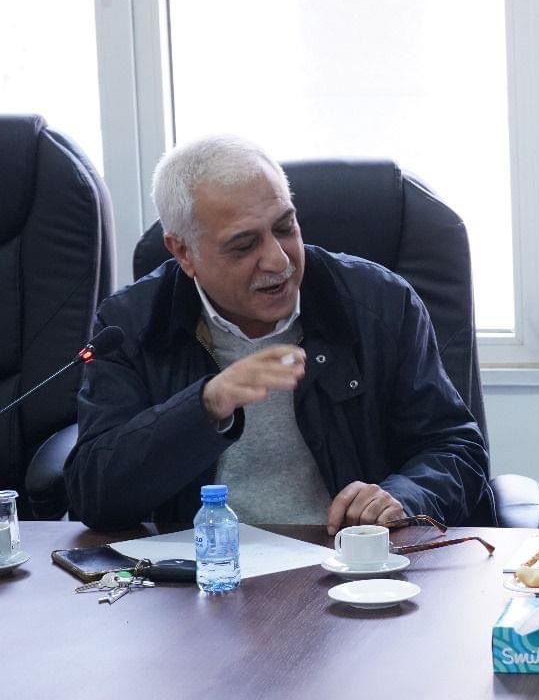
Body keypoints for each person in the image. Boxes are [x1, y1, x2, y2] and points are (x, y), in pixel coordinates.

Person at [66, 136, 494, 532]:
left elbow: (456, 448)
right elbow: (95, 495)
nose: (278, 260)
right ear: (183, 252)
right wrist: (205, 405)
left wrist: (404, 496)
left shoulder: (380, 303)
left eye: (285, 228)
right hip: (205, 571)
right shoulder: (130, 325)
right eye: (243, 245)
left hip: (350, 564)